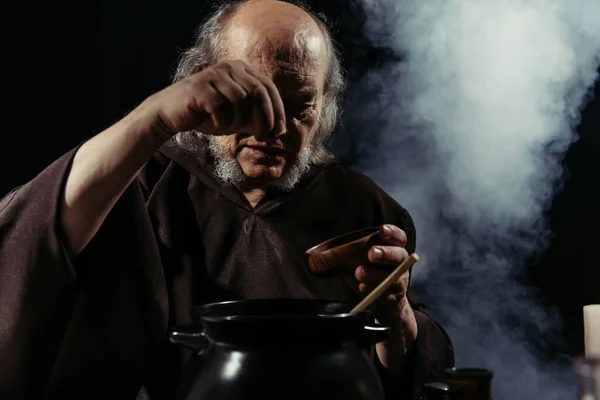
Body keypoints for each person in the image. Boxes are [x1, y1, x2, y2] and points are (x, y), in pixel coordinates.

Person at [0, 0, 454, 398]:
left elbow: (407, 377)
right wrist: (156, 116)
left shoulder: (368, 211)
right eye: (254, 97)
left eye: (298, 107)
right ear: (203, 82)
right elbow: (33, 236)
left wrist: (393, 311)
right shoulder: (137, 183)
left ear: (324, 106)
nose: (272, 128)